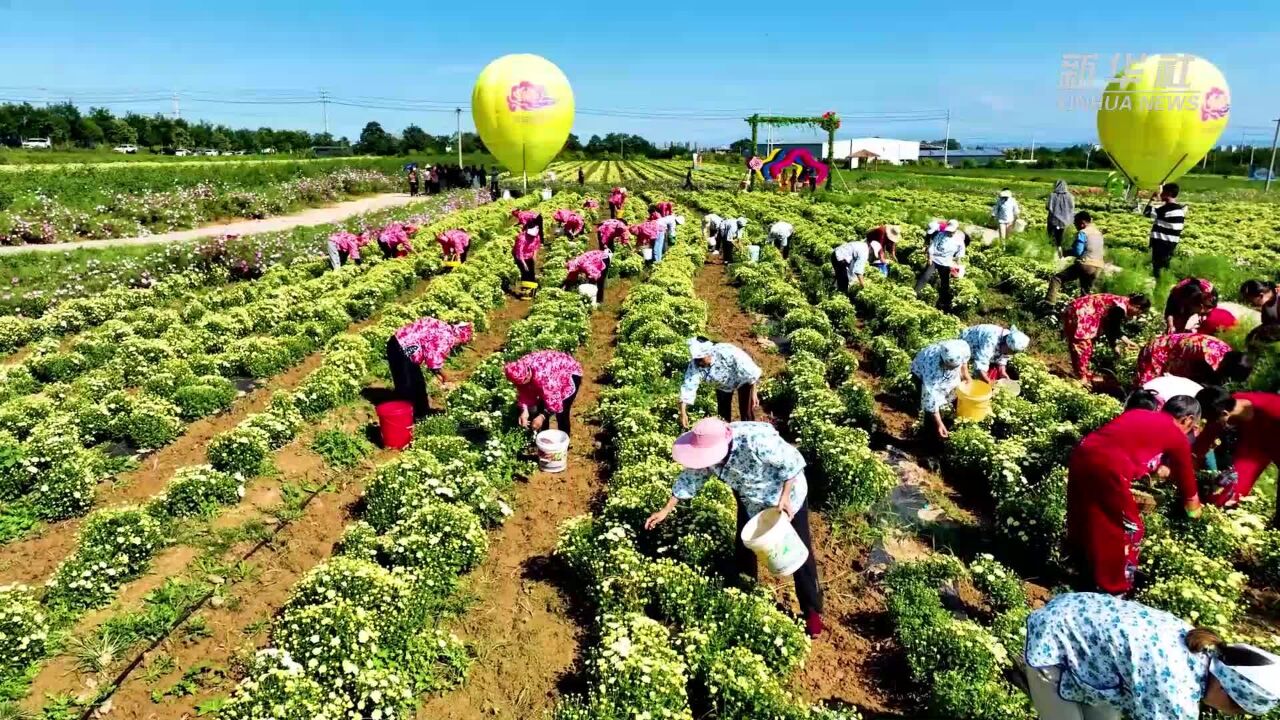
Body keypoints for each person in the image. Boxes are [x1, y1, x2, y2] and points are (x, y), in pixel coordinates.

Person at [645, 418, 825, 638]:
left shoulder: (755, 441)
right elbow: (691, 477)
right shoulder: (709, 457)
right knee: (744, 546)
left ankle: (812, 612)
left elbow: (792, 462)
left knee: (797, 550)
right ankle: (746, 593)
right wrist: (666, 509)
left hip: (786, 498)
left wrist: (785, 497)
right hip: (751, 500)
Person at [1022, 593, 1280, 720]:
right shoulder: (1176, 691)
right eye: (1236, 710)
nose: (1229, 714)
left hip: (1081, 629)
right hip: (1056, 642)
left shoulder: (1199, 651)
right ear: (1227, 690)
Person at [1067, 397, 1202, 594]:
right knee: (1128, 528)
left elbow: (1125, 444)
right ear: (1188, 420)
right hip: (1109, 468)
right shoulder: (1177, 435)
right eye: (1193, 426)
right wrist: (1194, 511)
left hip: (1081, 454)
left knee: (1086, 514)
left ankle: (1076, 564)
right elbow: (1187, 480)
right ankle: (1115, 587)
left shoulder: (1138, 413)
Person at [1194, 387, 1280, 509]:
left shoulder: (1273, 408)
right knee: (1231, 490)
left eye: (1209, 420)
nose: (1208, 424)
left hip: (1274, 438)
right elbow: (1201, 445)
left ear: (1224, 414)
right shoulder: (1223, 404)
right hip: (1254, 444)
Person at [387, 318, 473, 418]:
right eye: (460, 342)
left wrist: (439, 375)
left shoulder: (444, 328)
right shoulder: (447, 337)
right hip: (401, 347)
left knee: (418, 383)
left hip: (400, 345)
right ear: (458, 336)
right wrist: (445, 376)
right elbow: (434, 361)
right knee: (407, 386)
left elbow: (430, 355)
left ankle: (421, 415)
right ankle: (406, 418)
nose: (457, 345)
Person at [1062, 293, 1151, 382]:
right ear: (1137, 307)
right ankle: (1082, 378)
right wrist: (1114, 346)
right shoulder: (1120, 308)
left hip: (1075, 309)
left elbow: (1111, 326)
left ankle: (1080, 373)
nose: (1136, 315)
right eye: (1139, 312)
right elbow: (1110, 327)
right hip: (1083, 313)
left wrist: (1125, 341)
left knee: (1078, 346)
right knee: (1084, 346)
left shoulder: (1122, 301)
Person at [679, 338, 762, 429]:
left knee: (746, 412)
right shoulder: (696, 364)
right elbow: (688, 385)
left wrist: (754, 392)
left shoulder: (727, 352)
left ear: (708, 353)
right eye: (696, 359)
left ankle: (748, 432)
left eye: (701, 359)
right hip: (723, 385)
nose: (699, 362)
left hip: (742, 378)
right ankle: (725, 435)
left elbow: (751, 372)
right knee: (723, 416)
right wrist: (683, 412)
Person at [504, 350, 583, 434]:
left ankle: (564, 440)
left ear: (528, 375)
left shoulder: (544, 378)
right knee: (542, 404)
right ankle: (543, 434)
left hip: (569, 370)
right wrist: (524, 410)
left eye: (524, 382)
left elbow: (555, 402)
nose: (522, 386)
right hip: (551, 369)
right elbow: (523, 391)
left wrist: (542, 416)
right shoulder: (519, 369)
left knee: (562, 412)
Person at [1134, 332, 1251, 387]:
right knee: (1147, 390)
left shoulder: (1228, 355)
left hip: (1178, 356)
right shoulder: (1210, 358)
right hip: (1158, 351)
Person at [910, 339, 971, 439]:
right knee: (929, 408)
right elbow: (930, 400)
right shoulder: (931, 370)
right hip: (921, 370)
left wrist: (967, 377)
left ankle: (952, 418)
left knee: (955, 391)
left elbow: (964, 363)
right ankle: (930, 434)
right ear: (943, 361)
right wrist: (939, 424)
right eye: (950, 367)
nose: (953, 369)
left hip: (943, 370)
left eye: (955, 366)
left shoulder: (962, 347)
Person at [1046, 211, 1105, 303]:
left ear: (1082, 223)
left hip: (1086, 264)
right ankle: (1085, 314)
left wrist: (1066, 253)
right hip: (1098, 267)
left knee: (1057, 279)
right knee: (1085, 295)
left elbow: (1078, 251)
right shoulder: (1098, 233)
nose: (1075, 226)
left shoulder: (1083, 232)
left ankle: (1049, 304)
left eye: (1075, 223)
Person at [913, 220, 966, 312]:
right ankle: (914, 294)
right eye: (948, 230)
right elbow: (932, 246)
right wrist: (930, 258)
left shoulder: (959, 240)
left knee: (945, 282)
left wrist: (957, 263)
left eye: (951, 231)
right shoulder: (940, 235)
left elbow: (960, 253)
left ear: (956, 230)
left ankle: (943, 302)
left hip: (946, 263)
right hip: (934, 260)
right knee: (925, 277)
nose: (949, 232)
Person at [959, 324, 1030, 383]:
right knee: (963, 371)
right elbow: (980, 364)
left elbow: (1004, 357)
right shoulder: (991, 340)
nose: (1010, 354)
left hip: (982, 344)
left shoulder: (1009, 341)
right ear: (1006, 344)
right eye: (1010, 351)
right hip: (969, 341)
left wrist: (1002, 372)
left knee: (980, 375)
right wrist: (988, 382)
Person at [1144, 182, 1186, 278]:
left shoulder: (1167, 210)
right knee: (1163, 268)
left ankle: (1160, 288)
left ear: (1169, 193)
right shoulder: (1178, 209)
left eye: (1163, 192)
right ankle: (1162, 286)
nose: (1161, 194)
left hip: (1162, 244)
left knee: (1159, 270)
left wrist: (1153, 198)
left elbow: (1147, 212)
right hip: (1169, 244)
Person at [512, 210, 543, 292]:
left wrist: (534, 257)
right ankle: (524, 289)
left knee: (532, 272)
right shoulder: (522, 238)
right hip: (520, 257)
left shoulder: (536, 236)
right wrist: (524, 264)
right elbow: (519, 253)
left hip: (529, 255)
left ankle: (532, 289)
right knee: (525, 272)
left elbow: (536, 247)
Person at [1046, 179, 1075, 251]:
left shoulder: (1052, 195)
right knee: (1062, 237)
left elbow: (1047, 207)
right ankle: (1061, 250)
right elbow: (1072, 207)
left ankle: (1052, 250)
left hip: (1053, 221)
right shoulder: (1070, 196)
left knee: (1052, 237)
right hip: (1066, 221)